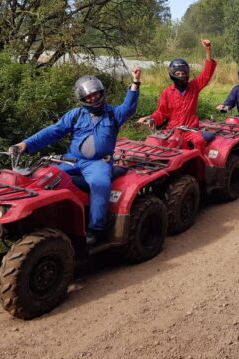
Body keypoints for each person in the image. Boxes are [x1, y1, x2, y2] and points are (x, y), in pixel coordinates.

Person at [12, 67, 142, 246]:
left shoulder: (113, 114)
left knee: (100, 184)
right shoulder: (75, 115)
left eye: (95, 94)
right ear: (82, 99)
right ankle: (33, 220)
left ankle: (95, 230)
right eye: (88, 96)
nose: (93, 98)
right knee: (43, 176)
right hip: (71, 159)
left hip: (98, 163)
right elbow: (53, 131)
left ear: (101, 93)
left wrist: (135, 82)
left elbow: (129, 107)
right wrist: (25, 144)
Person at [137, 39, 216, 152]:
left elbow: (207, 74)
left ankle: (200, 166)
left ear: (187, 73)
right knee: (155, 142)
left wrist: (208, 49)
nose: (181, 75)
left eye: (183, 73)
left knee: (199, 141)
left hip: (191, 131)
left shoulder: (194, 87)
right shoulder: (167, 92)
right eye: (178, 73)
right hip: (173, 130)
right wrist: (150, 119)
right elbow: (161, 113)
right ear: (172, 74)